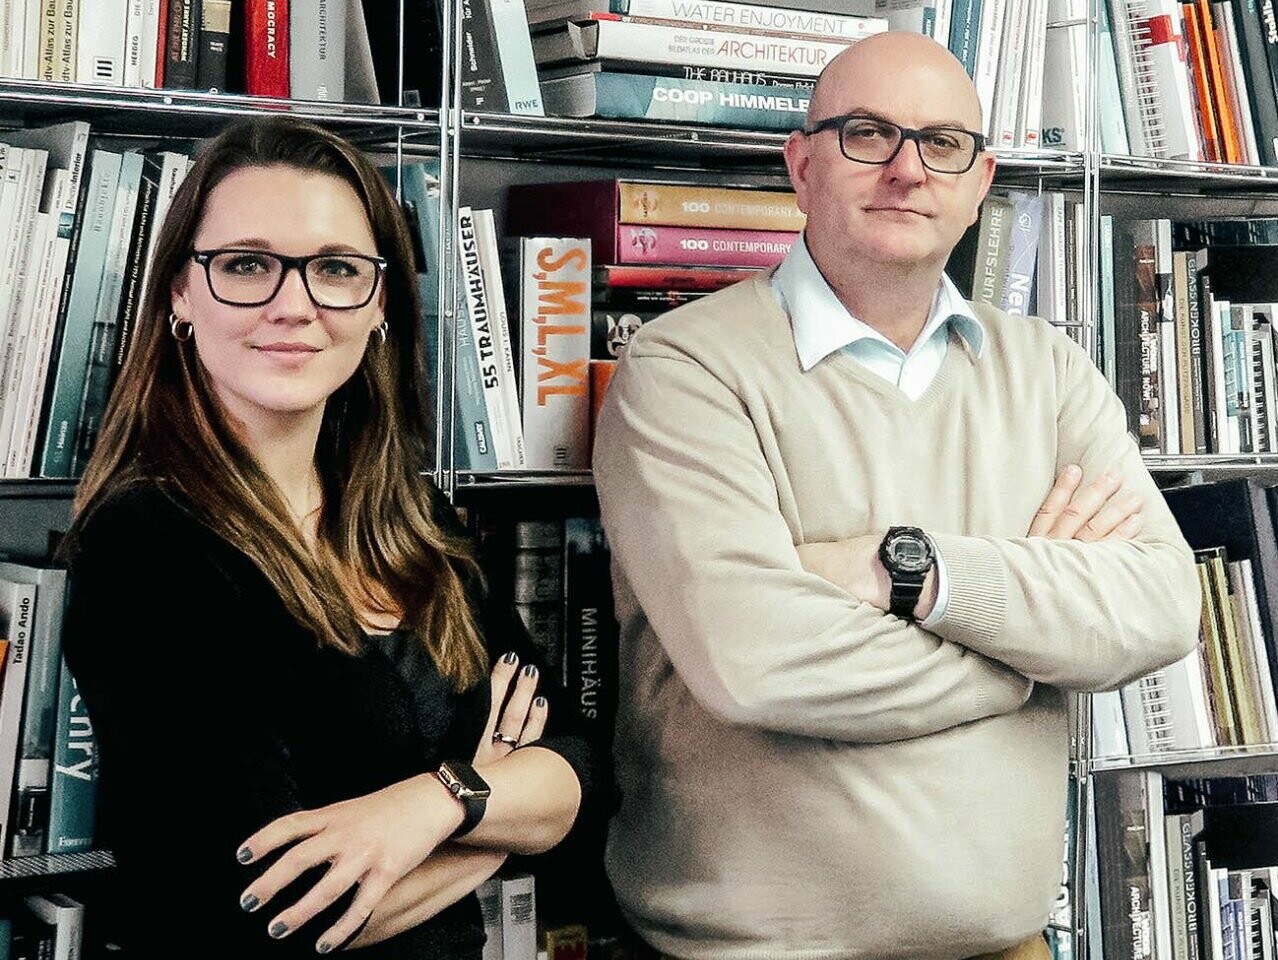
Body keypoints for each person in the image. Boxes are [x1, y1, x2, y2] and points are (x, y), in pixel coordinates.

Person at [592, 31, 1201, 960]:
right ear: (800, 164)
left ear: (981, 178)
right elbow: (753, 662)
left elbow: (1161, 608)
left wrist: (917, 576)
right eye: (867, 134)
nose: (908, 169)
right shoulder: (683, 367)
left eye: (942, 143)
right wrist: (1029, 656)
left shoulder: (1047, 371)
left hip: (1013, 948)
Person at [59, 116, 589, 959]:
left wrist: (426, 807)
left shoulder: (409, 519)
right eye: (245, 266)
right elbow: (275, 912)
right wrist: (498, 816)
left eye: (336, 269)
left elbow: (586, 773)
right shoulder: (145, 546)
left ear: (380, 302)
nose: (294, 304)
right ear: (178, 295)